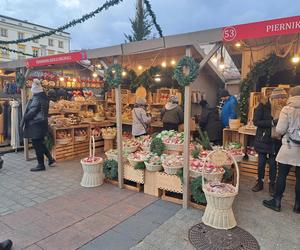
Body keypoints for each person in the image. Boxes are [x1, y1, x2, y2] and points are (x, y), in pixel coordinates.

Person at [263, 86, 300, 213]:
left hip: (288, 147)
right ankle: (298, 206)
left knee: (282, 175)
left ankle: (277, 201)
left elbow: (279, 130)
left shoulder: (287, 109)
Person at [251, 91, 285, 195]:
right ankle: (260, 183)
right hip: (263, 139)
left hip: (275, 140)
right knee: (261, 162)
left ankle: (272, 184)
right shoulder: (263, 105)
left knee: (273, 163)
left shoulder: (283, 108)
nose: (281, 100)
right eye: (279, 98)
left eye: (283, 98)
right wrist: (271, 123)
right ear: (274, 98)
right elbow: (256, 121)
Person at [21, 79, 55, 172]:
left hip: (35, 124)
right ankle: (51, 159)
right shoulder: (44, 97)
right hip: (42, 123)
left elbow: (32, 112)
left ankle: (40, 165)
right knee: (41, 143)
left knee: (37, 145)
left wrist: (25, 117)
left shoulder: (36, 98)